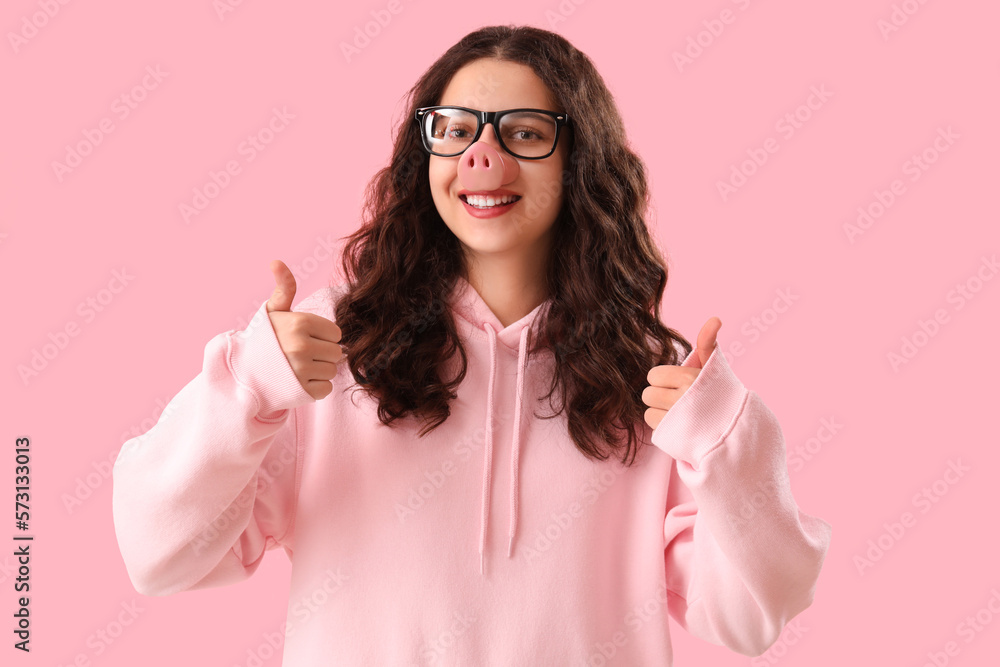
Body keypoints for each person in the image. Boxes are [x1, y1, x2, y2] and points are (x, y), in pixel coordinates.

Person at [112, 24, 832, 665]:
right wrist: (247, 387)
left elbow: (752, 615)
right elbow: (157, 555)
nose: (481, 156)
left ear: (577, 157)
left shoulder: (652, 380)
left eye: (522, 132)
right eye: (455, 129)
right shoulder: (329, 348)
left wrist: (727, 442)